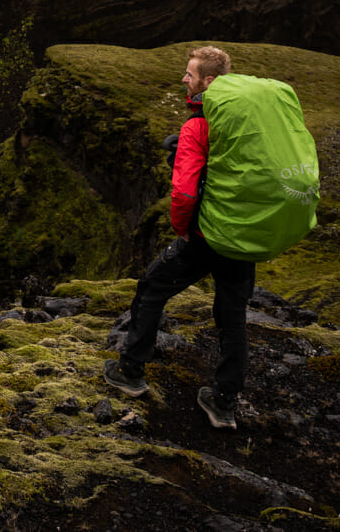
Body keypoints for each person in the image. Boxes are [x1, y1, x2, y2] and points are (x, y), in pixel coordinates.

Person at [102, 45, 254, 430]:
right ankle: (224, 404)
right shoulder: (243, 124)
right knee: (233, 318)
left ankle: (131, 373)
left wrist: (183, 229)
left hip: (205, 236)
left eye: (190, 74)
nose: (183, 80)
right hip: (242, 236)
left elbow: (184, 193)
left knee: (152, 289)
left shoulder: (197, 127)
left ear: (209, 82)